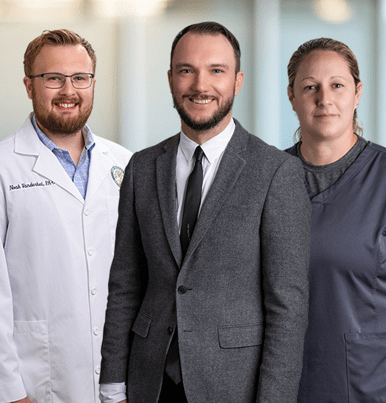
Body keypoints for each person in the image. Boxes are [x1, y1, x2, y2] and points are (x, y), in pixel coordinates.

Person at [99, 21, 311, 403]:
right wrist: (113, 382)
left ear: (238, 81)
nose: (200, 85)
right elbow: (125, 283)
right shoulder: (142, 168)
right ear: (170, 79)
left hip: (234, 385)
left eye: (216, 70)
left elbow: (287, 307)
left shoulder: (276, 172)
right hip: (149, 380)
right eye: (187, 70)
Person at [0, 29, 132, 403]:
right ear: (29, 86)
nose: (69, 91)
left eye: (80, 78)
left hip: (118, 383)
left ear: (93, 83)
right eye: (53, 79)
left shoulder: (126, 165)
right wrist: (5, 392)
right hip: (34, 384)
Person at [285, 38, 386, 403]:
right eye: (310, 87)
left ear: (357, 92)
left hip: (374, 388)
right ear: (291, 96)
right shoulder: (270, 179)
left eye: (337, 85)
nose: (324, 98)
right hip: (285, 387)